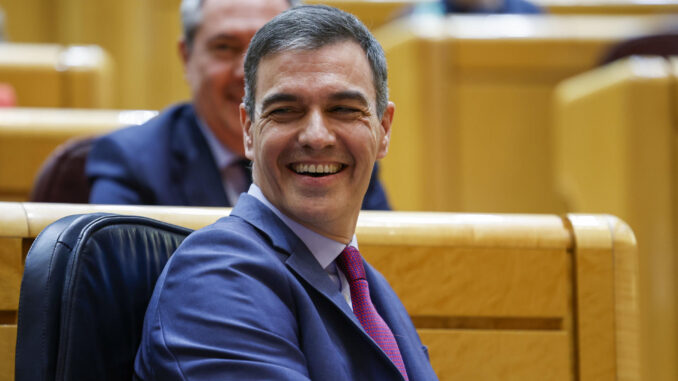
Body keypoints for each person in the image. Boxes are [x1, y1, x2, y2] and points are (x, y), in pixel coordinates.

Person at [134, 5, 437, 380]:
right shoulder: (216, 277)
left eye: (343, 109)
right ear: (249, 130)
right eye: (285, 110)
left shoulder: (367, 287)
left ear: (384, 129)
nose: (316, 136)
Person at [85, 0, 390, 210]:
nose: (247, 73)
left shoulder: (340, 150)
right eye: (224, 48)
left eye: (269, 48)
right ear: (187, 57)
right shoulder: (131, 162)